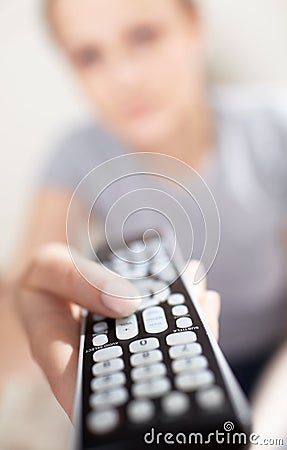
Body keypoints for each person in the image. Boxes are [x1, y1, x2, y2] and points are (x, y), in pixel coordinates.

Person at [13, 0, 287, 420]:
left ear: (194, 25)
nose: (124, 78)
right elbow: (21, 295)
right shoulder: (78, 155)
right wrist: (26, 304)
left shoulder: (273, 127)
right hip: (154, 378)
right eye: (89, 56)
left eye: (144, 36)